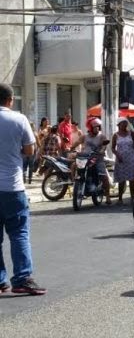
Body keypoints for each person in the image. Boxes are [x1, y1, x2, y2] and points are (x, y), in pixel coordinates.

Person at [0, 83, 47, 295]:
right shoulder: (19, 119)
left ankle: (1, 281)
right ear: (10, 100)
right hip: (13, 187)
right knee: (19, 234)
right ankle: (22, 279)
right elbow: (29, 150)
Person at [70, 117, 112, 205]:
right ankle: (76, 184)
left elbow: (104, 146)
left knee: (104, 177)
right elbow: (77, 142)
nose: (97, 128)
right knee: (74, 166)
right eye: (95, 127)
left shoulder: (101, 136)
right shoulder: (85, 136)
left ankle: (107, 196)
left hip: (97, 158)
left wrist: (101, 150)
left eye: (98, 127)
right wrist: (71, 148)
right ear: (90, 128)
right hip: (85, 158)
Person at [112, 117, 134, 204]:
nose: (125, 125)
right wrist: (118, 155)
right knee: (121, 179)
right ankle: (120, 198)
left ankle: (132, 197)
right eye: (123, 123)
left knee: (132, 179)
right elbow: (113, 148)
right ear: (119, 125)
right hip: (121, 159)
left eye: (126, 123)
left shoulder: (131, 134)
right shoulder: (115, 135)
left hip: (131, 158)